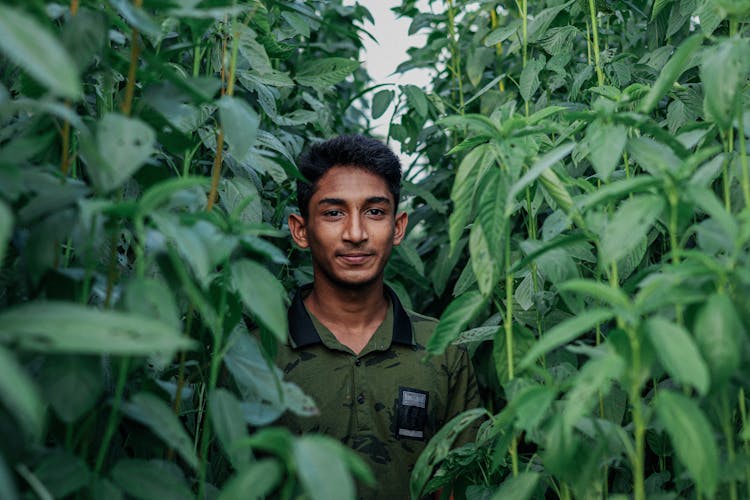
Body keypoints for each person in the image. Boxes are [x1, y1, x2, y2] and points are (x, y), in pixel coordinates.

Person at [276, 135, 479, 498]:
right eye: (334, 213)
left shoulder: (443, 349)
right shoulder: (259, 351)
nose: (356, 234)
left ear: (398, 227)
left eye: (374, 212)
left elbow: (459, 484)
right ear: (301, 229)